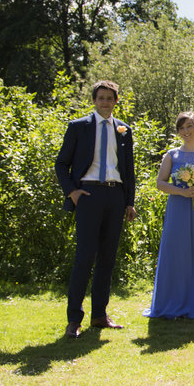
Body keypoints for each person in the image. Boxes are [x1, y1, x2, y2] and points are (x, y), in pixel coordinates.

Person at [55, 80, 136, 338]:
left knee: (107, 259)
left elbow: (129, 169)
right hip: (88, 194)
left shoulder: (124, 130)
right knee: (84, 257)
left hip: (115, 194)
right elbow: (61, 164)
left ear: (116, 101)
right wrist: (73, 192)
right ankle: (73, 320)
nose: (105, 102)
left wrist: (129, 202)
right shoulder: (78, 127)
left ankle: (99, 315)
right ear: (94, 100)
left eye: (109, 98)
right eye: (100, 98)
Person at [143, 112, 194, 319]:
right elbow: (160, 183)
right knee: (176, 252)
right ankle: (172, 301)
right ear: (178, 132)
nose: (186, 131)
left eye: (189, 126)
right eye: (182, 128)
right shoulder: (172, 155)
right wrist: (182, 191)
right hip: (178, 207)